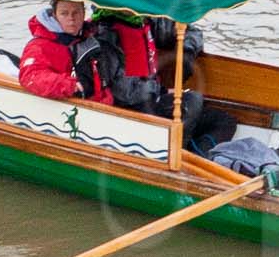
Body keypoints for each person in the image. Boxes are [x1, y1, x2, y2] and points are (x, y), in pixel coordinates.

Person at [87, 8, 238, 153]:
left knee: (224, 120)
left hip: (153, 101)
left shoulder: (147, 21)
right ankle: (178, 158)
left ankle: (197, 158)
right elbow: (124, 93)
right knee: (193, 101)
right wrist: (162, 90)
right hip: (132, 112)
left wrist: (187, 52)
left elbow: (191, 32)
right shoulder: (104, 36)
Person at [18, 0, 108, 101]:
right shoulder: (39, 46)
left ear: (83, 14)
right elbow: (30, 75)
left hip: (102, 101)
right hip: (73, 104)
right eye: (64, 13)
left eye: (76, 13)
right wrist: (69, 85)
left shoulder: (90, 34)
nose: (71, 18)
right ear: (54, 16)